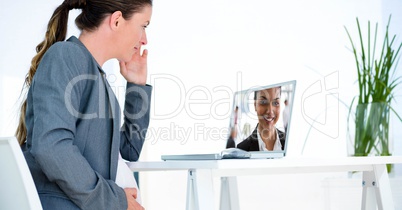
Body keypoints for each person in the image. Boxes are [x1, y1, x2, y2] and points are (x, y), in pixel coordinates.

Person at [15, 0, 153, 209]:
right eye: (143, 26)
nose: (144, 40)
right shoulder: (66, 56)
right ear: (116, 21)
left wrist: (137, 86)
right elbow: (51, 147)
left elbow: (129, 151)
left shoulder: (97, 79)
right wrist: (115, 201)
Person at [237, 87, 286, 151]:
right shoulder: (242, 149)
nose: (270, 111)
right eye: (263, 102)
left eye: (276, 103)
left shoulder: (290, 142)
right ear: (255, 105)